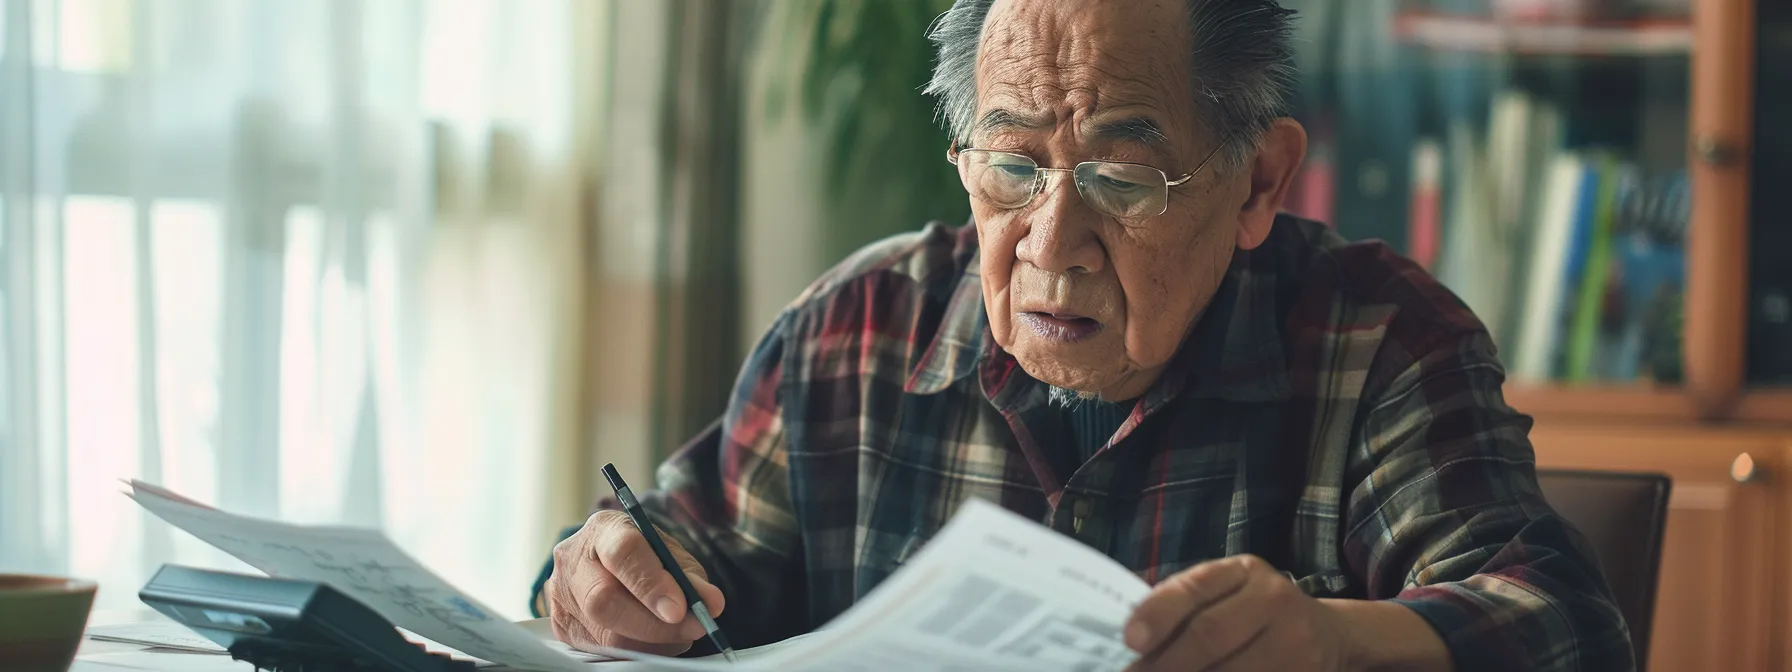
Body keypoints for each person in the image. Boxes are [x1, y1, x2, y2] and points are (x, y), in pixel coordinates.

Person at [532, 0, 1633, 669]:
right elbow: (675, 560)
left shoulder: (1378, 343)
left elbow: (1562, 628)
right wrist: (600, 583)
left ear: (1258, 182)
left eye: (1120, 175)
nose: (1053, 241)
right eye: (1011, 167)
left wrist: (1336, 646)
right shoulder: (853, 333)